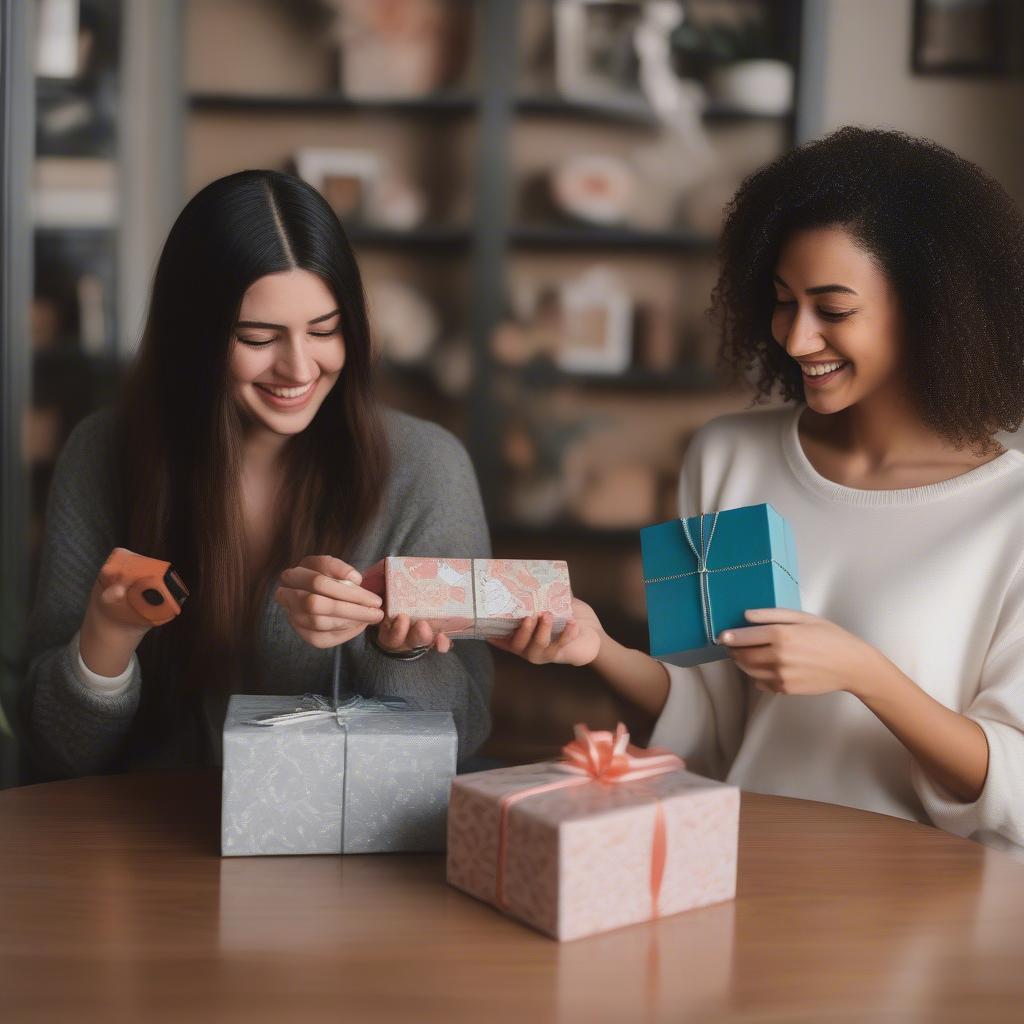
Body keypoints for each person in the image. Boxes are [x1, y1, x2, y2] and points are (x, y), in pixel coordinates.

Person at [494, 127, 1024, 857]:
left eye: (832, 310)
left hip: (923, 909)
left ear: (931, 308)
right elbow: (706, 727)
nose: (796, 338)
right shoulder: (727, 457)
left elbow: (1016, 794)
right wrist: (598, 651)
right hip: (741, 870)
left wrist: (864, 673)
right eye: (782, 301)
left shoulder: (1010, 514)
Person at [24, 170, 492, 777]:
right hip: (143, 842)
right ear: (194, 335)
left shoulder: (427, 467)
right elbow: (57, 747)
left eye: (324, 331)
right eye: (256, 337)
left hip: (347, 842)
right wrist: (108, 637)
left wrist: (391, 647)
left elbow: (464, 735)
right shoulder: (105, 452)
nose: (298, 367)